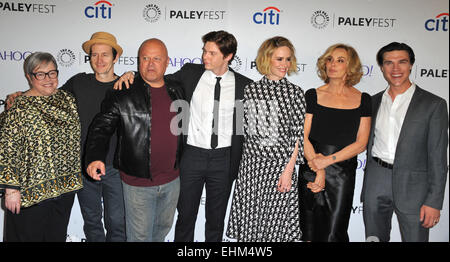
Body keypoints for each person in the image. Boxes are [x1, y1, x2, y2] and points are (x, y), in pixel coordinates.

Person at [115, 31, 253, 242]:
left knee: (216, 221)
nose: (204, 57)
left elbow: (246, 127)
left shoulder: (244, 85)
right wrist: (131, 74)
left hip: (224, 159)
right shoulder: (190, 73)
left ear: (228, 56)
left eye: (212, 53)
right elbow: (155, 78)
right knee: (186, 217)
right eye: (204, 51)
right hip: (192, 157)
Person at [5, 32, 127, 242]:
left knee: (117, 224)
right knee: (92, 223)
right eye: (94, 55)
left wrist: (132, 74)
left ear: (115, 58)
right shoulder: (77, 83)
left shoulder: (127, 86)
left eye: (105, 54)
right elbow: (44, 93)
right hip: (82, 169)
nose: (99, 60)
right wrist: (18, 95)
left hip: (114, 168)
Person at [85, 38, 184, 242]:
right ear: (138, 61)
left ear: (167, 62)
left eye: (156, 58)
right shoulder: (123, 90)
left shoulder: (177, 89)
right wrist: (94, 156)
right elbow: (101, 127)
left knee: (161, 233)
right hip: (138, 183)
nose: (150, 64)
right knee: (139, 238)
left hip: (172, 180)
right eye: (144, 58)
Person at [361, 42, 448, 242]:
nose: (396, 69)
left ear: (411, 65)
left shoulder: (433, 105)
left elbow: (438, 157)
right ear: (382, 68)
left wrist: (434, 201)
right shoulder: (371, 102)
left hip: (414, 186)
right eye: (389, 63)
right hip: (376, 180)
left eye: (402, 62)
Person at [226, 36, 305, 242]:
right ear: (267, 59)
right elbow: (246, 132)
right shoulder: (250, 90)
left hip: (280, 168)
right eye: (279, 59)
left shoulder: (295, 93)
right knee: (251, 228)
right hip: (251, 168)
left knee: (276, 230)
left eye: (288, 59)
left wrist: (288, 171)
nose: (285, 65)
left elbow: (297, 136)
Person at [0, 52, 83, 241]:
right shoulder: (19, 106)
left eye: (52, 73)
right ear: (29, 77)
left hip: (65, 187)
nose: (48, 79)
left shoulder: (67, 100)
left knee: (56, 236)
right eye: (41, 74)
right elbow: (8, 149)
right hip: (31, 191)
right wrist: (11, 190)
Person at [299, 43, 371, 242]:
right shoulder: (313, 95)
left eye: (340, 60)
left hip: (342, 173)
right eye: (329, 59)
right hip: (312, 167)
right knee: (310, 232)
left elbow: (361, 143)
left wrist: (328, 161)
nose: (333, 64)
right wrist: (319, 168)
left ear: (351, 67)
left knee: (334, 232)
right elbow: (302, 136)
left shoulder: (363, 100)